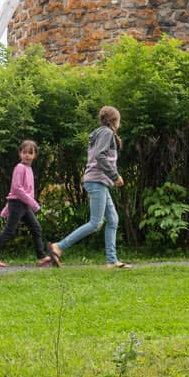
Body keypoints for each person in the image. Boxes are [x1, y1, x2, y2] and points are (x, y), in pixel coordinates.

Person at [50, 105, 130, 269]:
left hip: (99, 181)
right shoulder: (107, 133)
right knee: (95, 223)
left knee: (113, 219)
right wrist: (115, 176)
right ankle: (58, 247)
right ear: (115, 120)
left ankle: (111, 260)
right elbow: (100, 156)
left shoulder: (100, 133)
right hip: (97, 180)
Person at [0, 139, 52, 268]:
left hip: (23, 204)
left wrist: (7, 208)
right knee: (9, 231)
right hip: (18, 204)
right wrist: (33, 204)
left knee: (36, 228)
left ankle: (41, 258)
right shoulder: (20, 167)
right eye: (24, 152)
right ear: (20, 154)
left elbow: (20, 191)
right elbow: (16, 189)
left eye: (30, 153)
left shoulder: (29, 169)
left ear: (35, 155)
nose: (27, 155)